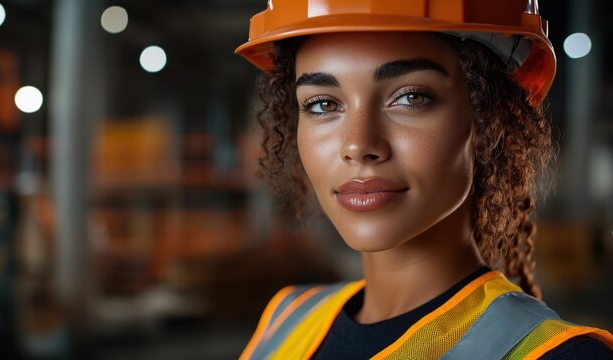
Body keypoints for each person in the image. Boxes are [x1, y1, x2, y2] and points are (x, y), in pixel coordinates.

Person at [235, 0, 613, 359]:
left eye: (411, 98)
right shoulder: (286, 321)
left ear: (489, 120)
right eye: (322, 104)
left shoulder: (559, 356)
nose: (357, 144)